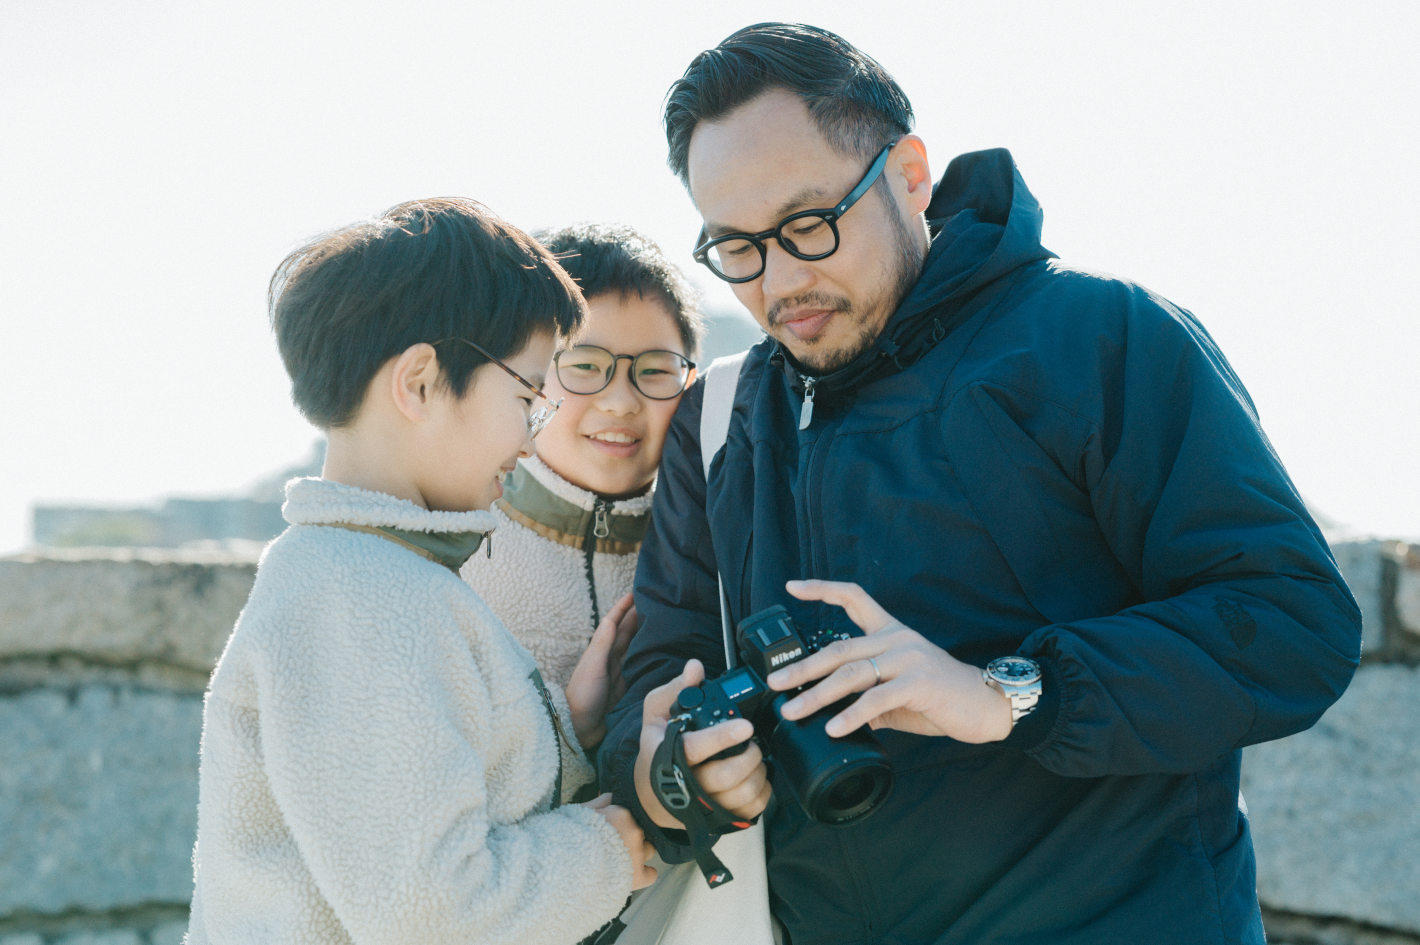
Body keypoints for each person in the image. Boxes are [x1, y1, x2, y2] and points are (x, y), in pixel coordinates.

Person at [598, 23, 1362, 945]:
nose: (780, 279)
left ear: (909, 173)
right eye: (736, 248)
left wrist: (1007, 692)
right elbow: (656, 687)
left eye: (808, 225)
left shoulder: (1101, 336)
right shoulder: (716, 420)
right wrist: (678, 774)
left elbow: (1293, 625)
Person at [185, 198, 655, 945]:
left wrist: (570, 727)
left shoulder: (360, 571)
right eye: (528, 397)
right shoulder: (365, 596)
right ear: (421, 382)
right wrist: (607, 850)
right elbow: (432, 912)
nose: (530, 441)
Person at [463, 224, 703, 735]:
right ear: (526, 376)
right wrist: (571, 728)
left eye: (657, 370)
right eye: (585, 365)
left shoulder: (705, 551)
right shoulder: (456, 548)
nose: (620, 401)